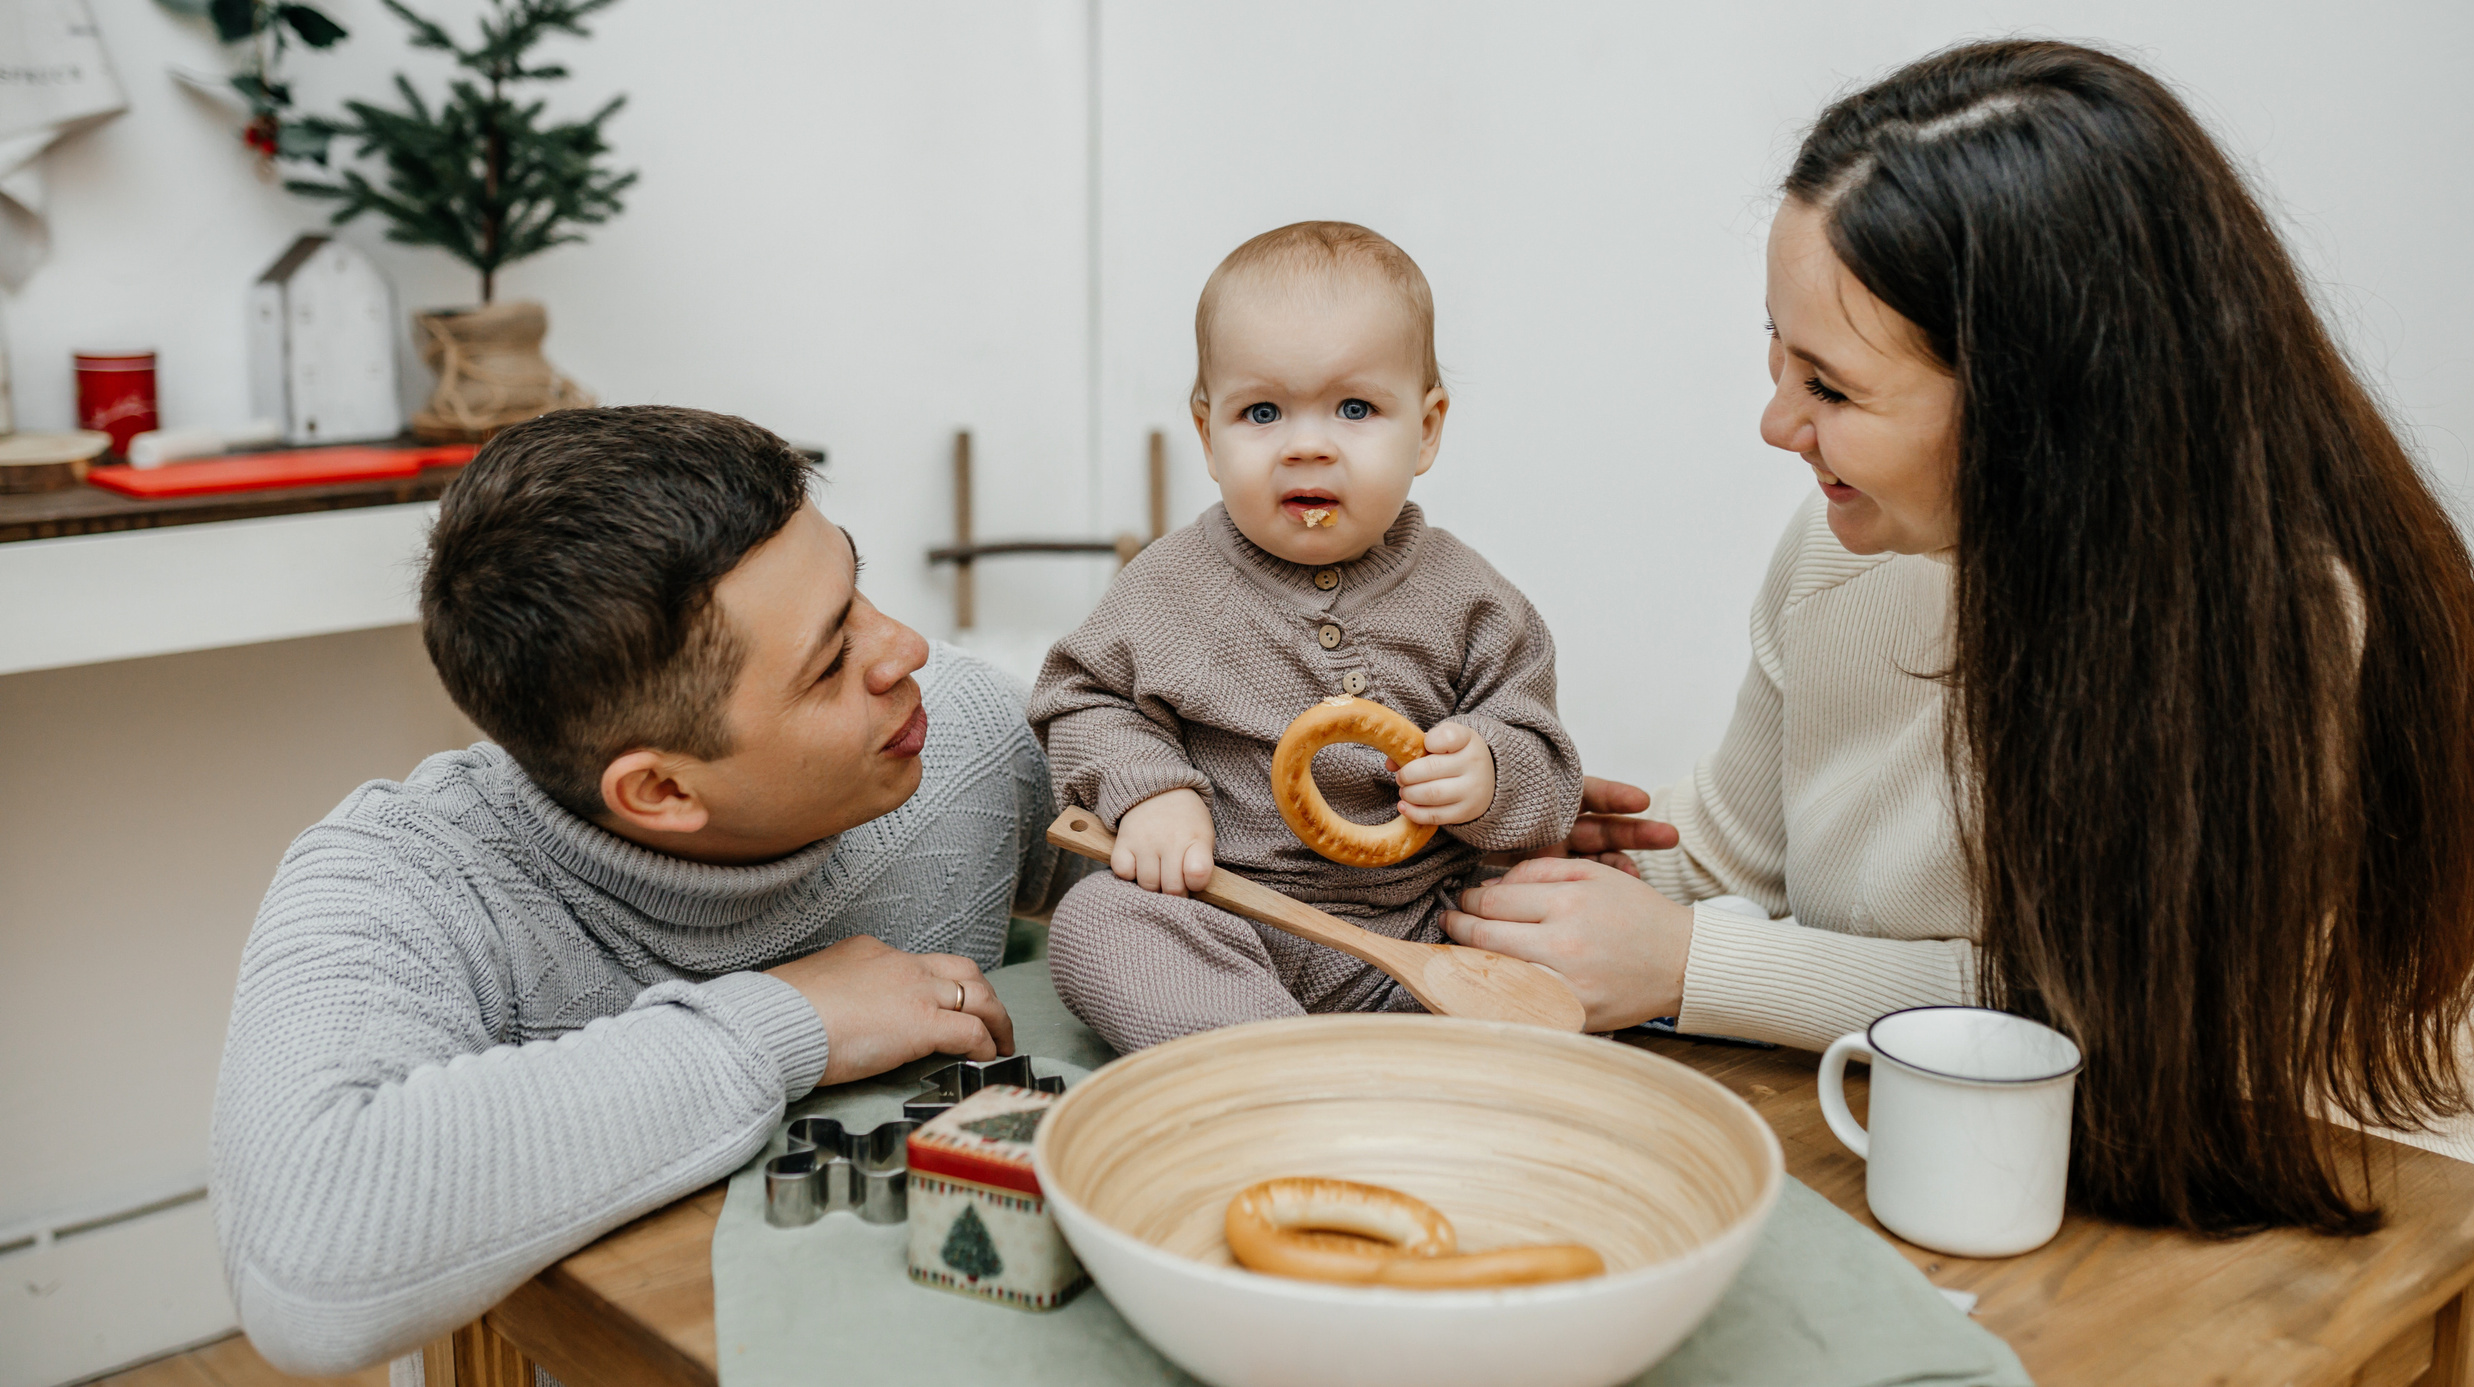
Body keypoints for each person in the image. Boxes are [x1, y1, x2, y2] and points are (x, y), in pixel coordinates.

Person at [1442, 40, 2474, 1381]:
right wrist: (1561, 846)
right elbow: (1733, 854)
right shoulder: (1840, 549)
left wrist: (1688, 964)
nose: (1773, 422)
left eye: (1834, 388)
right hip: (1972, 1151)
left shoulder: (2288, 620)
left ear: (2046, 412)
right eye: (1778, 355)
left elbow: (2128, 1026)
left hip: (2318, 1193)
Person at [209, 407, 1066, 1373]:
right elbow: (304, 1263)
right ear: (659, 789)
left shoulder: (957, 734)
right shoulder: (403, 879)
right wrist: (790, 1020)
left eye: (857, 584)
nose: (904, 647)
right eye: (832, 661)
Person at [1031, 221, 1582, 1052]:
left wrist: (1492, 771)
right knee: (1098, 919)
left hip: (1423, 934)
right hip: (1225, 913)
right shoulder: (1167, 588)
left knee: (1566, 915)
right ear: (1207, 431)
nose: (1309, 444)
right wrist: (1150, 789)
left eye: (1356, 408)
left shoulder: (1474, 601)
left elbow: (1548, 764)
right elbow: (1079, 696)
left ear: (1427, 428)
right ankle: (1272, 1063)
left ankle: (1379, 1068)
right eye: (1263, 412)